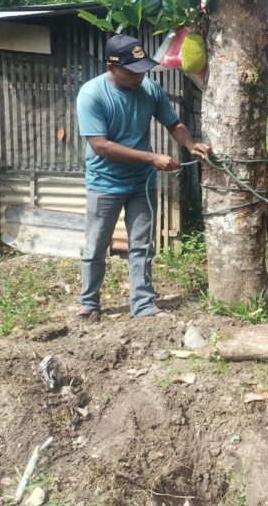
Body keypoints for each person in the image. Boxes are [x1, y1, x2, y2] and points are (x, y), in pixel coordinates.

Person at [75, 34, 211, 320]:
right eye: (132, 71)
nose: (140, 77)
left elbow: (173, 123)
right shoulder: (92, 94)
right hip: (105, 183)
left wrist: (190, 144)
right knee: (96, 247)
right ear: (111, 68)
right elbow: (100, 145)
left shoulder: (150, 89)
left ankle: (144, 306)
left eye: (143, 69)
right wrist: (152, 157)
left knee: (142, 247)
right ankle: (88, 305)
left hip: (141, 184)